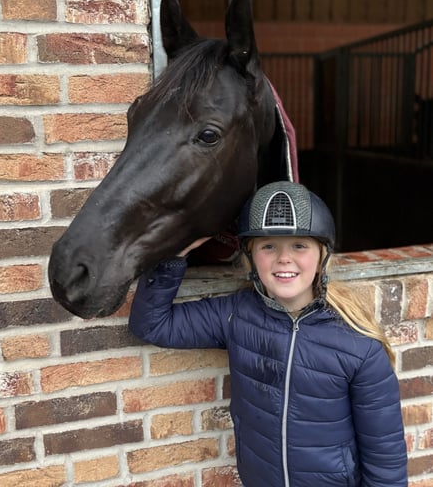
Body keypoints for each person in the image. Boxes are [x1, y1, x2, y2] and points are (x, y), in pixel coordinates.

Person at [129, 181, 408, 487]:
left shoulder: (359, 345)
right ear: (251, 258)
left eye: (299, 245)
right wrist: (175, 253)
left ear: (321, 257)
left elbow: (385, 460)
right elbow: (152, 324)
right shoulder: (234, 315)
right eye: (268, 246)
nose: (283, 258)